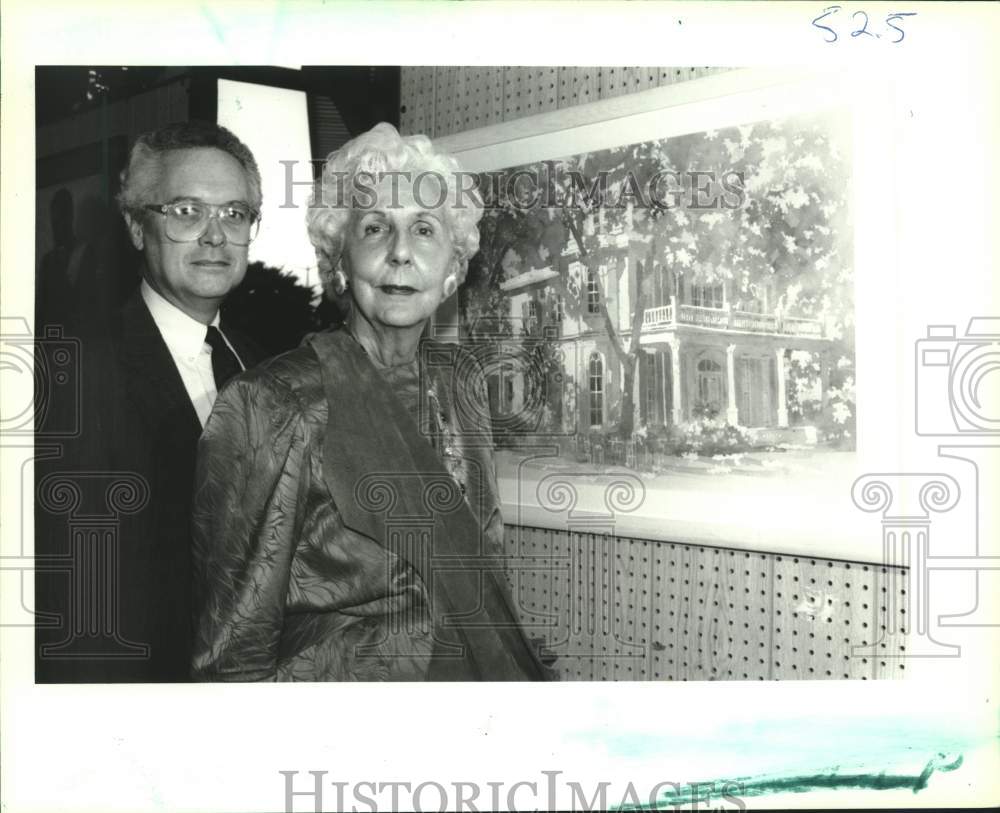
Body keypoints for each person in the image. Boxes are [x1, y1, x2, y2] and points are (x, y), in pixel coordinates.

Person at [191, 123, 553, 681]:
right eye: (376, 227)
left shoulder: (463, 385)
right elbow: (233, 648)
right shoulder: (273, 402)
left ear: (453, 268)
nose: (401, 253)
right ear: (339, 260)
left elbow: (484, 574)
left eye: (425, 229)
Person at [35, 121, 265, 682]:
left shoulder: (264, 367)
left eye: (235, 214)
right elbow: (76, 603)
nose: (215, 234)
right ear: (138, 228)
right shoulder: (77, 377)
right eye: (187, 211)